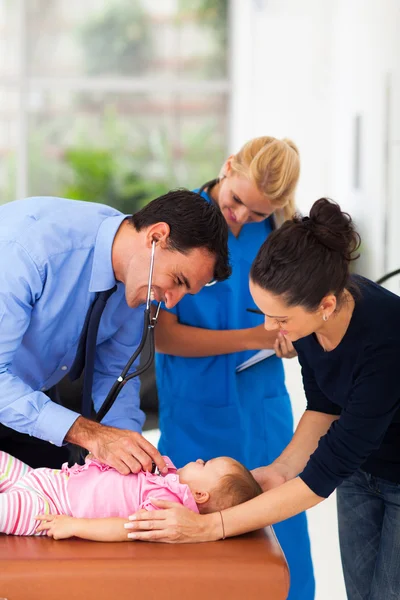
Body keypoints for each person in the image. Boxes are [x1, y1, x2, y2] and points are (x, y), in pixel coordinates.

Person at [128, 198, 400, 600]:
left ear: (326, 305)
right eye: (263, 313)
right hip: (362, 472)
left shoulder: (386, 340)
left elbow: (322, 477)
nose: (272, 330)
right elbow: (325, 404)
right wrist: (281, 469)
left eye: (281, 319)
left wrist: (210, 527)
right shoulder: (305, 324)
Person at [155, 136, 314, 600]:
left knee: (280, 524)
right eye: (237, 200)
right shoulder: (183, 225)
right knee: (190, 525)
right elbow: (164, 335)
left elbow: (298, 319)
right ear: (227, 168)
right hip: (195, 412)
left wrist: (288, 340)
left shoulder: (282, 237)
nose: (242, 216)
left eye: (259, 212)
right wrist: (253, 337)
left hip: (263, 411)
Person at [0, 191, 230, 474]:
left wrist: (135, 461)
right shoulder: (30, 250)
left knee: (58, 501)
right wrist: (91, 434)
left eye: (186, 292)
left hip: (26, 398)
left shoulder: (135, 278)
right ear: (156, 237)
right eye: (178, 281)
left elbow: (114, 373)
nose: (171, 301)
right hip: (9, 391)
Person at [0, 450, 261, 540]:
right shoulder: (164, 476)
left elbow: (127, 529)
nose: (200, 459)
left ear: (200, 495)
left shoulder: (168, 507)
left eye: (206, 465)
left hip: (47, 508)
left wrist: (75, 526)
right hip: (45, 479)